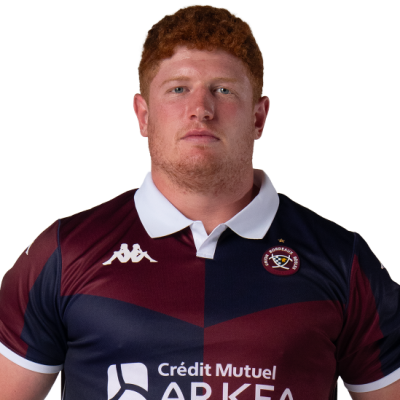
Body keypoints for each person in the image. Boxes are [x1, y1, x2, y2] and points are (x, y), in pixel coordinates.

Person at [0, 4, 399, 400]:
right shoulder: (65, 251)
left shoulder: (343, 260)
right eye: (178, 89)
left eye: (223, 90)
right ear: (143, 115)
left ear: (259, 117)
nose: (201, 110)